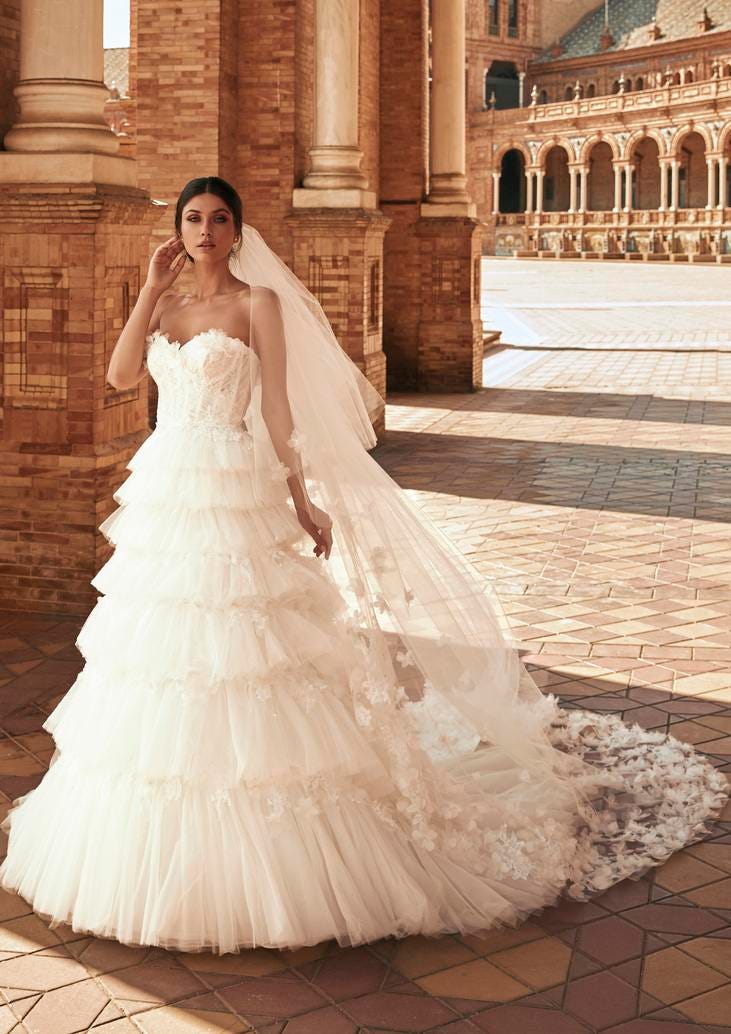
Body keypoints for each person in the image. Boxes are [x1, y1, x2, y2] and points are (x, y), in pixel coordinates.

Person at [0, 176, 726, 955]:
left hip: (233, 486)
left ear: (238, 231)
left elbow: (275, 408)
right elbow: (117, 378)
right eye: (192, 219)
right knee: (158, 658)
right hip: (169, 490)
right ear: (177, 229)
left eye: (218, 219)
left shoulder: (258, 305)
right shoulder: (168, 306)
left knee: (251, 657)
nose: (205, 231)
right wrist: (147, 291)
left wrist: (302, 499)